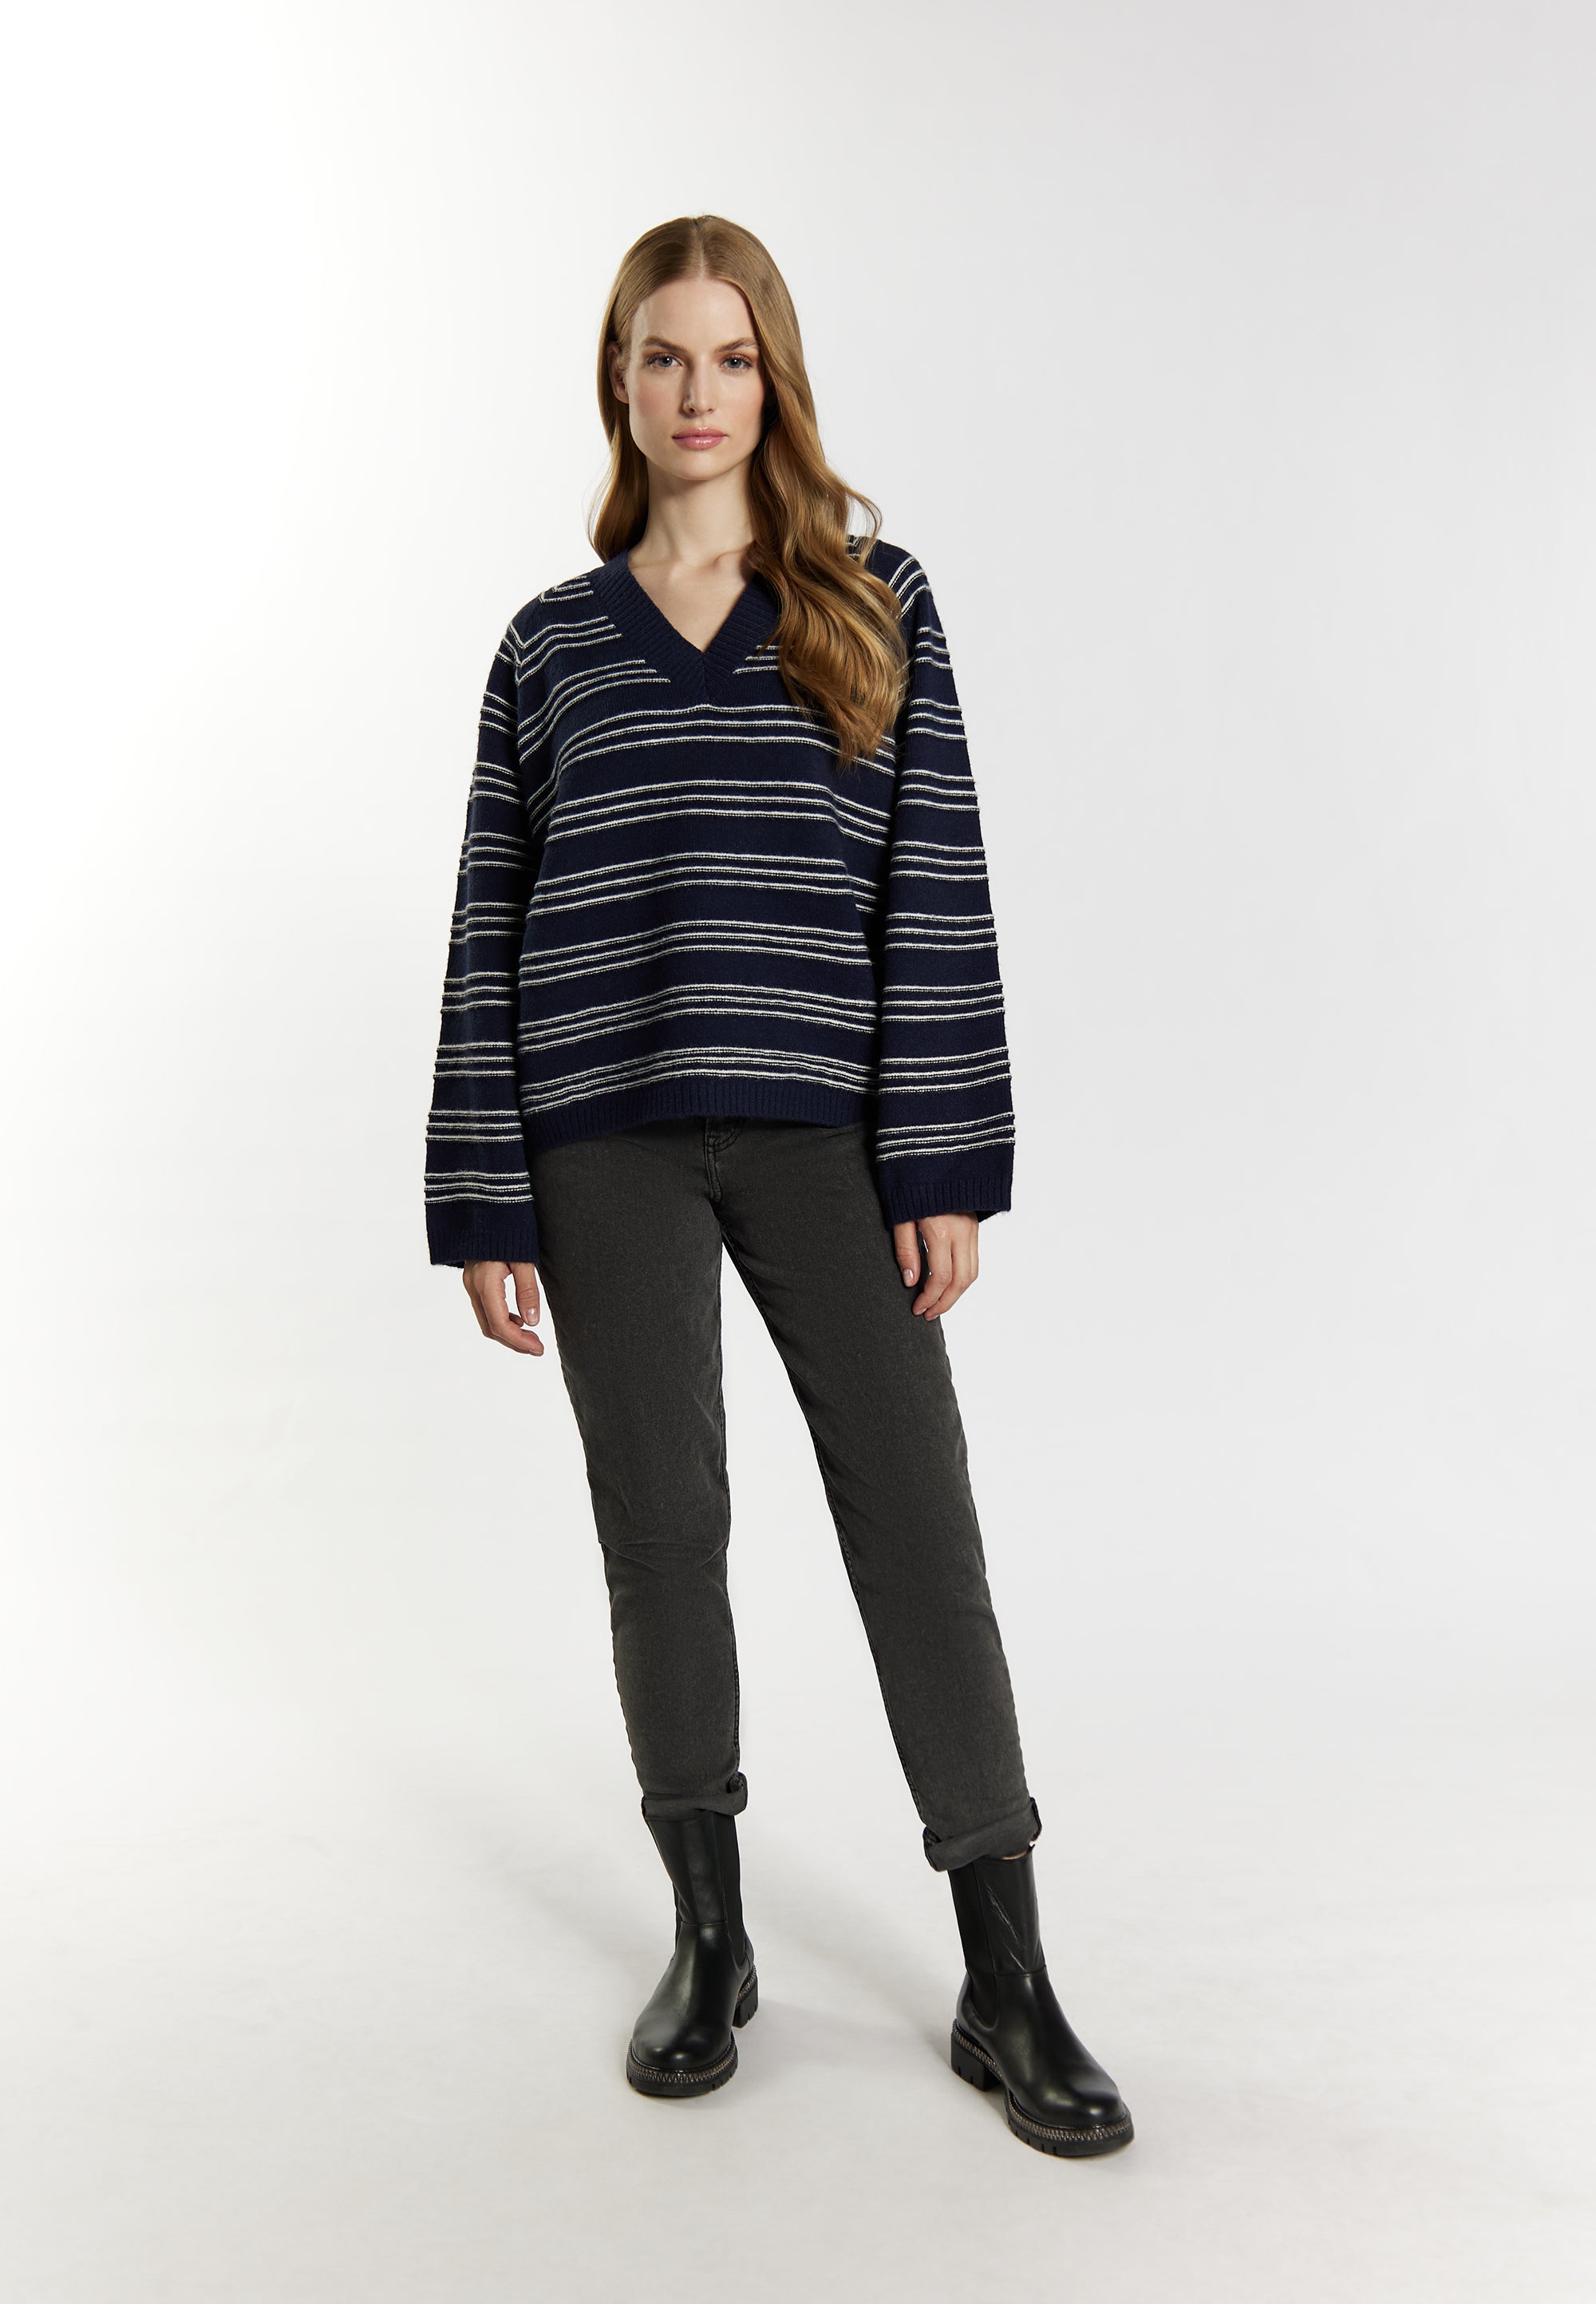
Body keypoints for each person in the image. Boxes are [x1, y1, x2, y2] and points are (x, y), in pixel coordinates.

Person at [423, 214, 1132, 2158]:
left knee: (917, 1518)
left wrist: (943, 1154)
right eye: (662, 356)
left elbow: (936, 881)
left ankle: (1005, 1973)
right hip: (601, 1132)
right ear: (618, 380)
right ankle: (710, 1935)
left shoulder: (872, 600)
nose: (697, 394)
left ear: (775, 378)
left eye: (730, 358)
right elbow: (492, 918)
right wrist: (485, 1191)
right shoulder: (549, 646)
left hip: (825, 1130)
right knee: (662, 1532)